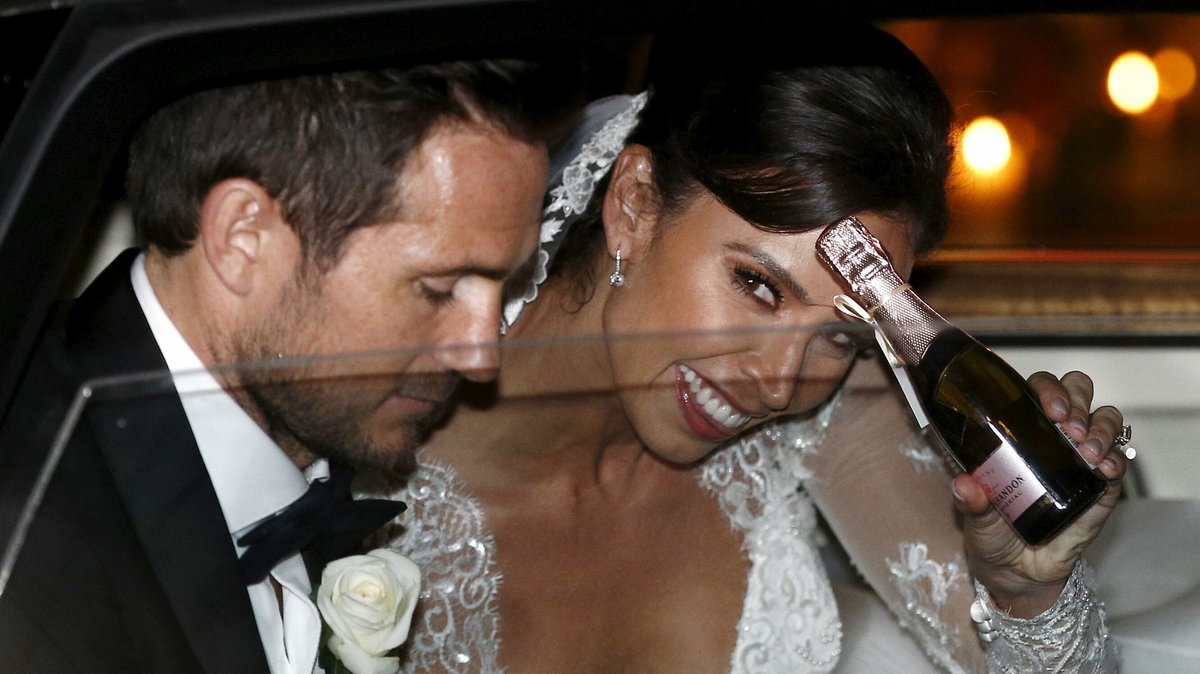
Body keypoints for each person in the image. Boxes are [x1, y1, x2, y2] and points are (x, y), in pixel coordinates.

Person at [375, 25, 1128, 673]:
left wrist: (1025, 590)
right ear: (634, 205)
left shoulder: (830, 401)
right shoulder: (373, 412)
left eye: (839, 332)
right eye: (757, 285)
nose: (778, 382)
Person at [0, 60, 568, 673]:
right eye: (437, 288)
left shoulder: (309, 423)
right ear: (243, 239)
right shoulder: (29, 554)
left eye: (506, 286)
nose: (482, 356)